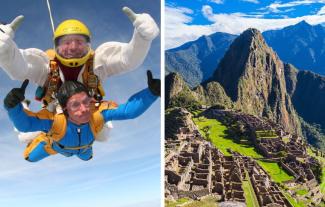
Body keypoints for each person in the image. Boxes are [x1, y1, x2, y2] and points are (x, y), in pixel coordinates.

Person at [0, 7, 159, 106]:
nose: (73, 47)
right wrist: (5, 50)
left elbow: (128, 60)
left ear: (89, 45)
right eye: (66, 42)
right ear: (56, 47)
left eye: (79, 42)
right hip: (55, 111)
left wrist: (142, 38)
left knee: (102, 133)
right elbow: (20, 69)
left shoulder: (98, 62)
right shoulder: (45, 65)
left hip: (88, 111)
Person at [4, 71, 160, 162]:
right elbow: (25, 125)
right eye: (75, 105)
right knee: (28, 157)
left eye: (86, 102)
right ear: (65, 108)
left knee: (87, 157)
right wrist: (12, 106)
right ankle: (25, 108)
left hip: (83, 148)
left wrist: (151, 93)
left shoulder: (97, 114)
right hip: (54, 146)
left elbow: (128, 111)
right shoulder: (55, 121)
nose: (85, 109)